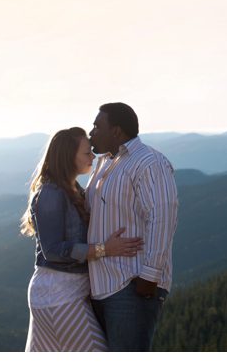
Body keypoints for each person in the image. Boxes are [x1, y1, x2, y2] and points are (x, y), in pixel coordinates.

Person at [20, 126, 144, 352]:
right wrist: (104, 249)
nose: (93, 157)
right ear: (69, 157)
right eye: (87, 153)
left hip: (65, 293)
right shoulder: (51, 193)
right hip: (57, 295)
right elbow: (53, 250)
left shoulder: (72, 188)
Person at [86, 102, 179, 352]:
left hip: (131, 286)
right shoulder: (105, 163)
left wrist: (149, 277)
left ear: (117, 131)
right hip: (101, 287)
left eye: (97, 126)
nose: (91, 132)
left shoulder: (149, 162)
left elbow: (162, 215)